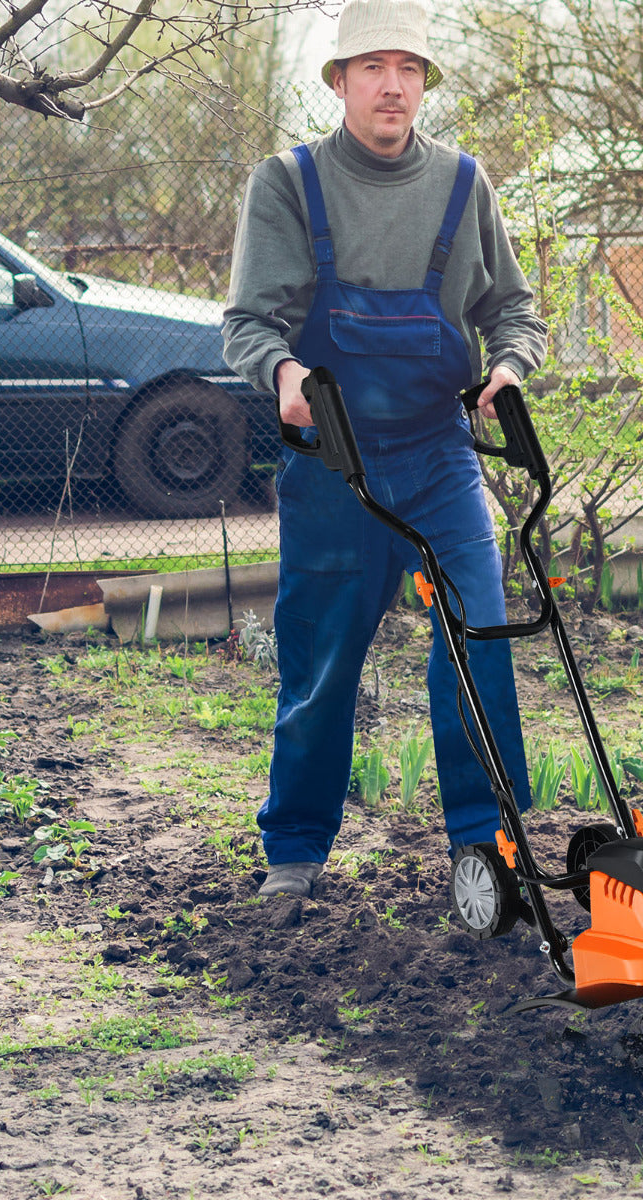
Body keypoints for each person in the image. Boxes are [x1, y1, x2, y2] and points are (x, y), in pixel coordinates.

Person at [222, 0, 547, 899]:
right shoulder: (287, 183)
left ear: (424, 84)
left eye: (409, 67)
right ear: (339, 81)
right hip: (333, 463)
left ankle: (488, 849)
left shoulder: (462, 184)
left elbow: (512, 311)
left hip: (438, 453)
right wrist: (284, 373)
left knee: (478, 634)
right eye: (373, 67)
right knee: (321, 660)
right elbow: (248, 323)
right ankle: (294, 852)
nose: (393, 84)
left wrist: (511, 366)